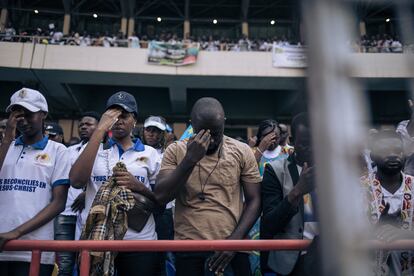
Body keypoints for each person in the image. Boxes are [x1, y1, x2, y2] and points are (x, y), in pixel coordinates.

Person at [155, 97, 261, 276]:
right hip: (189, 248)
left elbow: (255, 200)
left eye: (216, 133)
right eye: (203, 132)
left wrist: (234, 243)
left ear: (224, 124)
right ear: (192, 124)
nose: (210, 140)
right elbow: (161, 196)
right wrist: (190, 159)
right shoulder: (175, 150)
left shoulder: (242, 151)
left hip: (233, 248)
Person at [69, 91, 161, 275]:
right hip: (97, 241)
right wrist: (100, 130)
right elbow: (76, 181)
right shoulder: (93, 148)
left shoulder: (151, 154)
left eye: (124, 116)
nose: (118, 120)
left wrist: (138, 186)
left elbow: (161, 202)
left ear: (134, 120)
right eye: (113, 116)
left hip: (139, 242)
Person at [0, 88, 70, 276]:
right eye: (17, 115)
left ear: (43, 114)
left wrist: (16, 233)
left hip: (34, 250)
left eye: (29, 114)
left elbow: (59, 203)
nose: (22, 120)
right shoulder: (6, 147)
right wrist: (7, 139)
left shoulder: (58, 151)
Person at [261, 113, 319, 276]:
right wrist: (298, 190)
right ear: (293, 142)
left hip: (328, 260)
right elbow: (269, 226)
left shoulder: (335, 172)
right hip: (290, 264)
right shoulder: (275, 170)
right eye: (306, 144)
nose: (313, 149)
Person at [361, 130, 414, 275]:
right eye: (384, 151)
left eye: (398, 151)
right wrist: (376, 229)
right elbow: (345, 235)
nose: (392, 155)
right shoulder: (358, 189)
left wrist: (404, 234)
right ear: (372, 156)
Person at [54, 111, 100, 276]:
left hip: (89, 215)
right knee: (65, 263)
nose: (83, 127)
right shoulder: (69, 151)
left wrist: (86, 193)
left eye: (89, 124)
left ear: (99, 126)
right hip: (65, 212)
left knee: (86, 261)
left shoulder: (105, 151)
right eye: (81, 125)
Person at [142, 115, 175, 274]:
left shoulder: (170, 154)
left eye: (156, 131)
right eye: (149, 130)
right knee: (141, 255)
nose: (152, 134)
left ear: (163, 134)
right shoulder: (134, 151)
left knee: (163, 255)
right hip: (140, 210)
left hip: (163, 212)